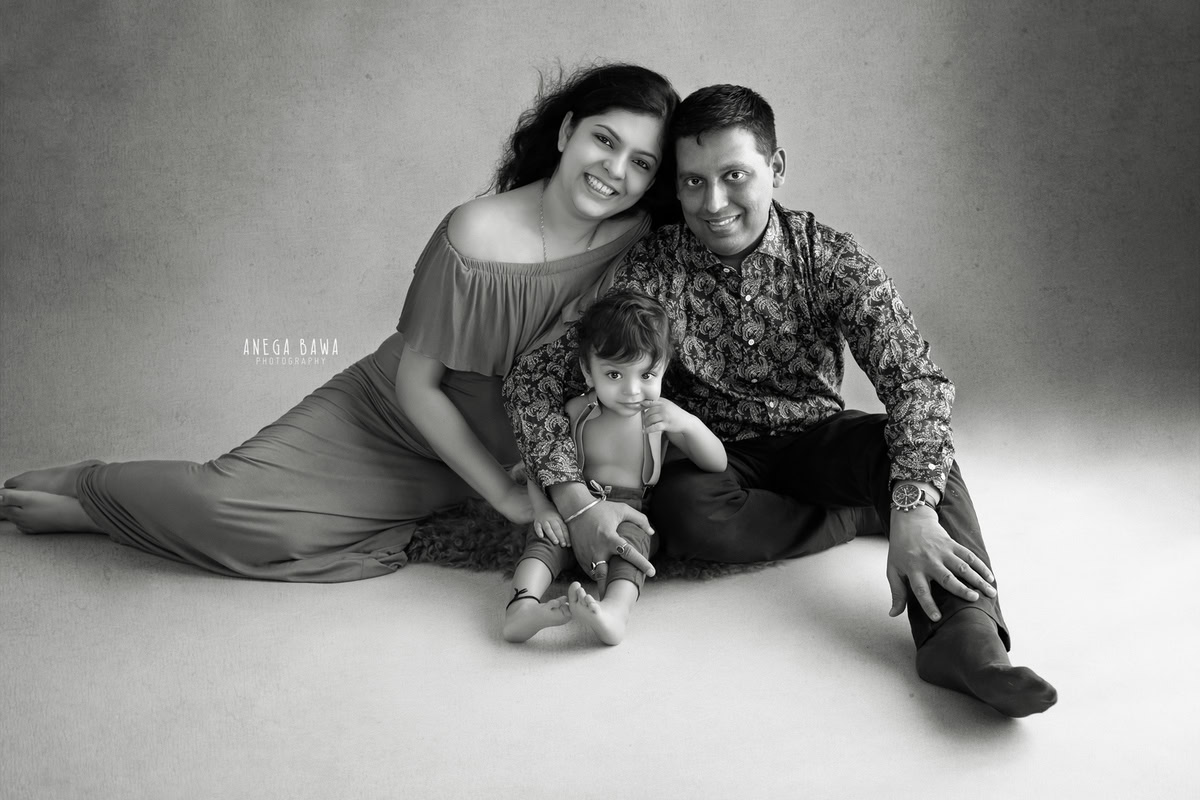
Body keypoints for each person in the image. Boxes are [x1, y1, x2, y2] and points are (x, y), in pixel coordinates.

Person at [0, 63, 677, 583]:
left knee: (294, 540)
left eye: (641, 163)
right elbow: (418, 386)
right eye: (603, 140)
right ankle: (95, 491)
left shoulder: (636, 239)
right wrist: (502, 495)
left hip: (482, 451)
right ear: (566, 132)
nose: (614, 171)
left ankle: (108, 510)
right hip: (390, 417)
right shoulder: (475, 233)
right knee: (225, 500)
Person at [504, 85, 1058, 717]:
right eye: (692, 183)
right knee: (683, 516)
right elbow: (535, 376)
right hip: (715, 457)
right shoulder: (651, 269)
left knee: (918, 458)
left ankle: (965, 641)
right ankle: (853, 514)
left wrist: (910, 507)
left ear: (778, 168)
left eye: (734, 175)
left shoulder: (829, 258)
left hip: (817, 438)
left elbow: (917, 382)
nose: (713, 203)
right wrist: (573, 499)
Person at [502, 291, 726, 645]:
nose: (633, 390)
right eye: (614, 375)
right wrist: (545, 508)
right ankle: (522, 606)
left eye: (648, 374)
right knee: (542, 544)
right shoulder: (578, 412)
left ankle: (614, 613)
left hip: (628, 513)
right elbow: (540, 466)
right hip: (571, 508)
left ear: (665, 367)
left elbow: (717, 462)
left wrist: (689, 425)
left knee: (633, 551)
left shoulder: (660, 417)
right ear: (587, 373)